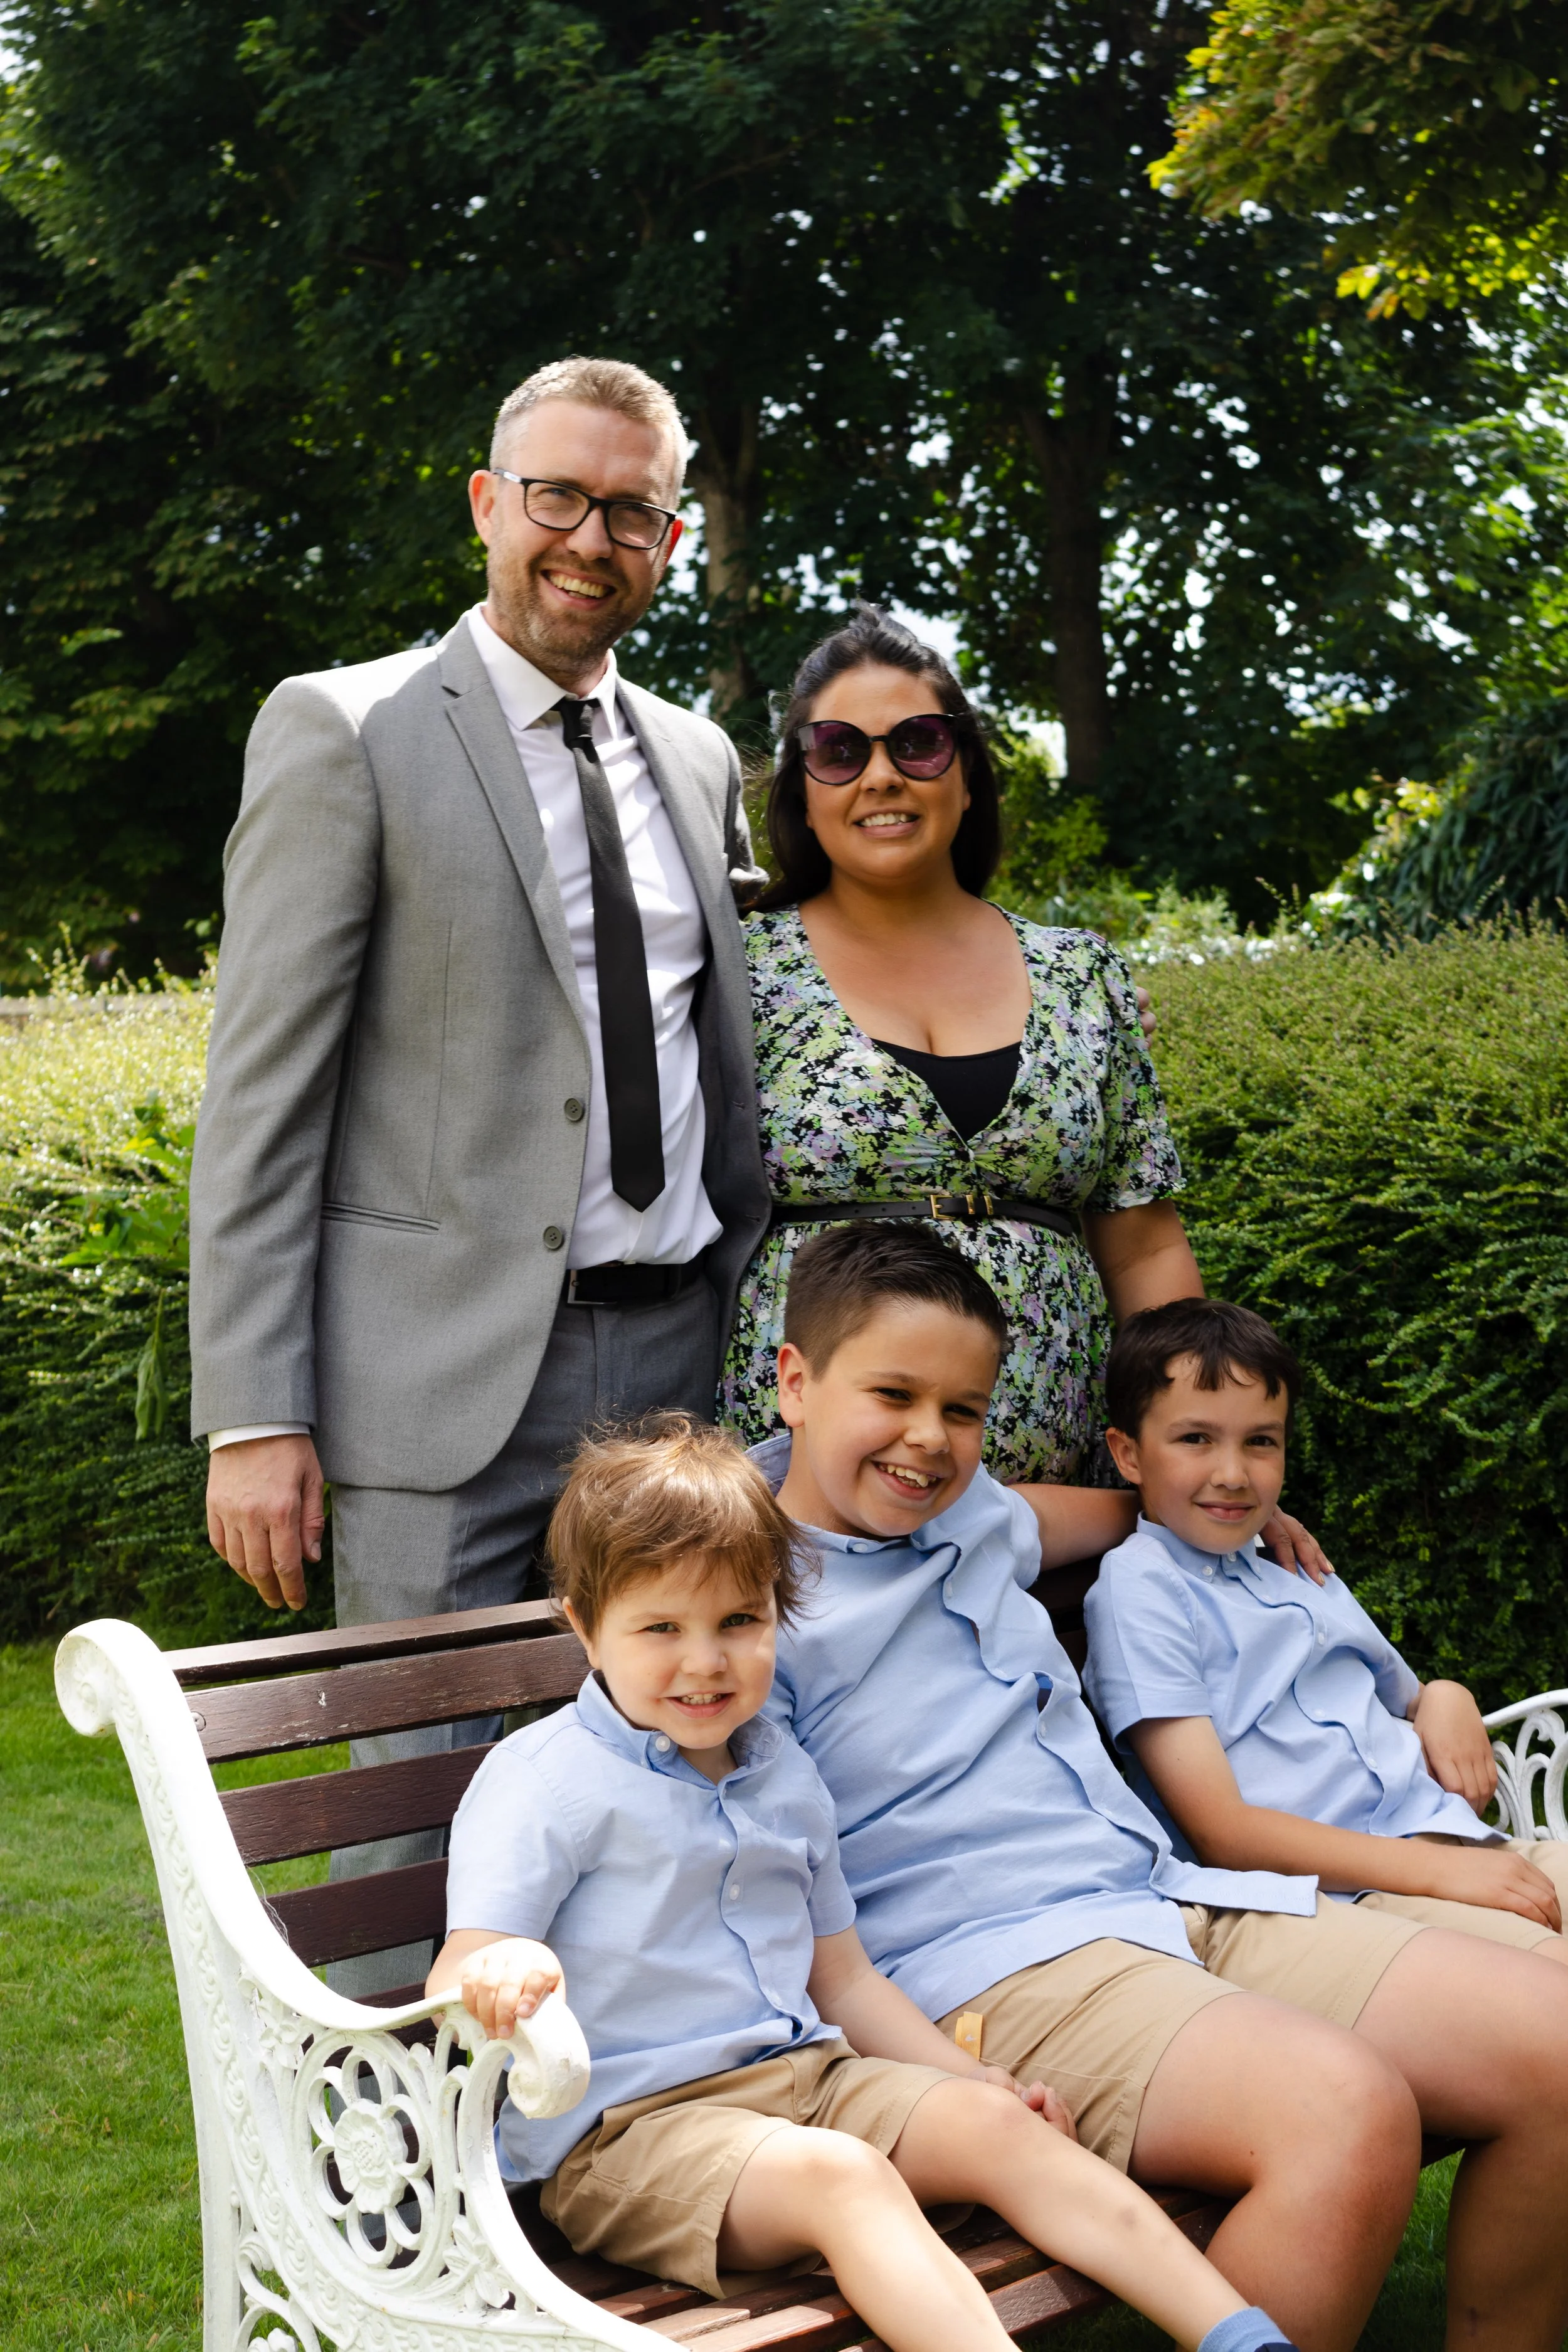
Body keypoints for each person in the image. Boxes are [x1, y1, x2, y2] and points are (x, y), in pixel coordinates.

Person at [756, 1218, 1568, 2352]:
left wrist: (1230, 1505)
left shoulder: (971, 1509)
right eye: (891, 1396)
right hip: (998, 1963)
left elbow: (1107, 1508)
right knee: (1343, 2113)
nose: (929, 1442)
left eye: (963, 1411)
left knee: (1557, 2044)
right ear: (793, 1381)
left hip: (1164, 1899)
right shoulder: (735, 1596)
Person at [430, 1417, 1301, 2352]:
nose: (705, 1661)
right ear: (584, 1626)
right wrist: (501, 1976)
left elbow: (842, 1980)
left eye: (740, 1619)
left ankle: (1242, 2335)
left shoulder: (785, 1775)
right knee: (844, 2177)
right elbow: (464, 1963)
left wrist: (974, 2079)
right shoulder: (545, 1780)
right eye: (660, 1628)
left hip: (807, 2083)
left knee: (996, 2125)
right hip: (630, 2137)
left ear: (778, 1611)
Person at [189, 352, 768, 1624]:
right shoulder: (345, 731)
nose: (589, 540)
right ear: (485, 504)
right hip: (433, 1388)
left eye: (630, 514)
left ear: (669, 540)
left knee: (662, 1788)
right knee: (416, 1802)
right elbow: (261, 1100)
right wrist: (251, 1412)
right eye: (555, 496)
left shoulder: (697, 758)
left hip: (678, 1374)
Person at [722, 603, 1202, 1495]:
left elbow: (1142, 1247)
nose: (882, 775)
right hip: (809, 1500)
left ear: (969, 773)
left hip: (1068, 1493)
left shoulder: (1081, 974)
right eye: (839, 750)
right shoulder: (736, 970)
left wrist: (1201, 1450)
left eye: (919, 743)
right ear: (803, 789)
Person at [1083, 1296, 1568, 1956]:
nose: (1232, 1474)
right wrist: (1438, 1872)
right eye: (1195, 1439)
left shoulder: (1294, 1564)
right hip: (1346, 1898)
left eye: (1260, 1441)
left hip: (1462, 1844)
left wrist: (1449, 1696)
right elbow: (1222, 1831)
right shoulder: (1141, 1586)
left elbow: (1410, 1699)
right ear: (1128, 1455)